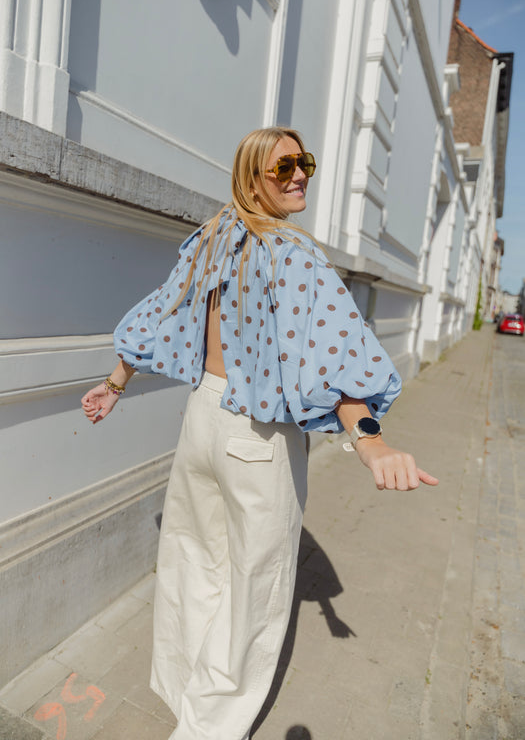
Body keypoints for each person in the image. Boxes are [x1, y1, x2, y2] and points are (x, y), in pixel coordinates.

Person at [81, 126, 438, 740]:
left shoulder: (211, 239)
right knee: (257, 587)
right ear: (252, 180)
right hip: (258, 440)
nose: (300, 175)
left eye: (306, 163)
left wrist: (113, 385)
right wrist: (371, 442)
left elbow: (157, 311)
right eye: (285, 167)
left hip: (202, 421)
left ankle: (184, 689)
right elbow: (339, 363)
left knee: (195, 559)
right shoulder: (294, 255)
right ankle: (208, 729)